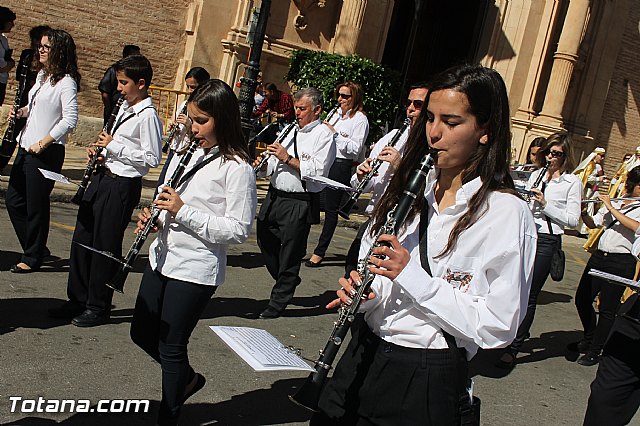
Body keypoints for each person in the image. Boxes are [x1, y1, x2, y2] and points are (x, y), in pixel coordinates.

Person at [311, 64, 536, 425]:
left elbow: (498, 326)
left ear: (485, 130)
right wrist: (370, 296)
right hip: (362, 353)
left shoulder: (506, 213)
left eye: (451, 122)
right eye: (430, 118)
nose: (433, 133)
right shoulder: (407, 191)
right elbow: (381, 273)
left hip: (425, 374)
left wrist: (411, 276)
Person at [130, 79, 257, 426]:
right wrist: (154, 217)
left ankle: (168, 415)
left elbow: (238, 229)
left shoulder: (237, 167)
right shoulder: (186, 151)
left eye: (201, 121)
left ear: (223, 119)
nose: (193, 127)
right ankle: (187, 379)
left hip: (195, 268)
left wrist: (182, 210)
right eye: (191, 119)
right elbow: (167, 198)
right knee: (140, 332)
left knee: (172, 346)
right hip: (162, 256)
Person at [48, 54, 162, 327]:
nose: (119, 88)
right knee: (82, 238)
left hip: (121, 185)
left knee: (104, 246)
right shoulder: (123, 107)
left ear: (141, 83)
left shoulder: (148, 116)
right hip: (102, 177)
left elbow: (152, 157)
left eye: (124, 83)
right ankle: (76, 298)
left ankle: (98, 306)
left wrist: (113, 147)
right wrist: (101, 154)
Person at [497, 132, 582, 369]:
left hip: (546, 238)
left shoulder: (571, 182)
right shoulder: (536, 174)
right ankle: (504, 335)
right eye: (548, 152)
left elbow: (573, 221)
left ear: (565, 156)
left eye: (556, 154)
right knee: (513, 287)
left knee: (530, 293)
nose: (550, 158)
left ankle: (513, 348)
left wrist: (546, 204)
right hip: (524, 233)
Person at [254, 87, 336, 319]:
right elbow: (272, 165)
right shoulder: (289, 130)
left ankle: (277, 302)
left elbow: (317, 172)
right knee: (264, 238)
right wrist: (263, 165)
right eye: (296, 108)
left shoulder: (324, 135)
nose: (297, 113)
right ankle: (287, 277)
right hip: (274, 195)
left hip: (299, 200)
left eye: (302, 109)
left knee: (290, 252)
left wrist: (287, 158)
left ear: (317, 110)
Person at [5, 28, 80, 273]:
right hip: (26, 146)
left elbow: (69, 119)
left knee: (36, 206)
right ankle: (37, 247)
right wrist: (22, 112)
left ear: (59, 50)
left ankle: (33, 256)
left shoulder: (66, 82)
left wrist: (44, 141)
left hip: (45, 152)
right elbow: (36, 107)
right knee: (14, 201)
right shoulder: (42, 77)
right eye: (41, 46)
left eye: (46, 47)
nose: (41, 50)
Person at [343, 82, 428, 276]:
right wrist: (361, 175)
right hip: (376, 217)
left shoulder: (430, 147)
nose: (411, 109)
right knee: (352, 269)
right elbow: (367, 185)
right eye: (409, 104)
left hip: (403, 225)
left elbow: (426, 190)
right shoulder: (393, 136)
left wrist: (399, 166)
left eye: (418, 105)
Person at [572, 167, 640, 366]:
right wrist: (584, 213)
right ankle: (590, 337)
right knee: (582, 299)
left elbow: (636, 227)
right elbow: (595, 225)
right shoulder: (620, 199)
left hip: (621, 260)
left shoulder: (625, 206)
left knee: (607, 309)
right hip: (600, 256)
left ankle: (596, 350)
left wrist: (611, 208)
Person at [306, 81, 370, 267]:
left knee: (331, 209)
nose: (340, 99)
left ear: (354, 98)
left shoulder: (359, 119)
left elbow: (355, 149)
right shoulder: (335, 114)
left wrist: (334, 134)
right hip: (324, 160)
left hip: (340, 164)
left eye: (345, 96)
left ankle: (320, 251)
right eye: (339, 95)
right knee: (312, 200)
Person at [0, 25, 51, 172]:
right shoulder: (27, 55)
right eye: (35, 42)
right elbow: (18, 77)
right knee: (11, 134)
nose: (37, 46)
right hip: (23, 100)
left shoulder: (47, 63)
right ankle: (2, 162)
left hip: (38, 102)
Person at [155, 66, 210, 193]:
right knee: (162, 185)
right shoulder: (184, 104)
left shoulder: (205, 109)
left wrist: (189, 125)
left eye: (193, 87)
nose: (190, 91)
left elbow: (203, 135)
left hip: (189, 153)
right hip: (175, 149)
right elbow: (174, 120)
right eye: (188, 87)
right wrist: (173, 126)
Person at [98, 44, 140, 124]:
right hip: (114, 110)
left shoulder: (135, 74)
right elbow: (105, 93)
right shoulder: (114, 70)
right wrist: (110, 109)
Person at [0, 6, 16, 105]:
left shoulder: (3, 39)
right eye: (10, 22)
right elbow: (2, 67)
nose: (12, 25)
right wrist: (9, 64)